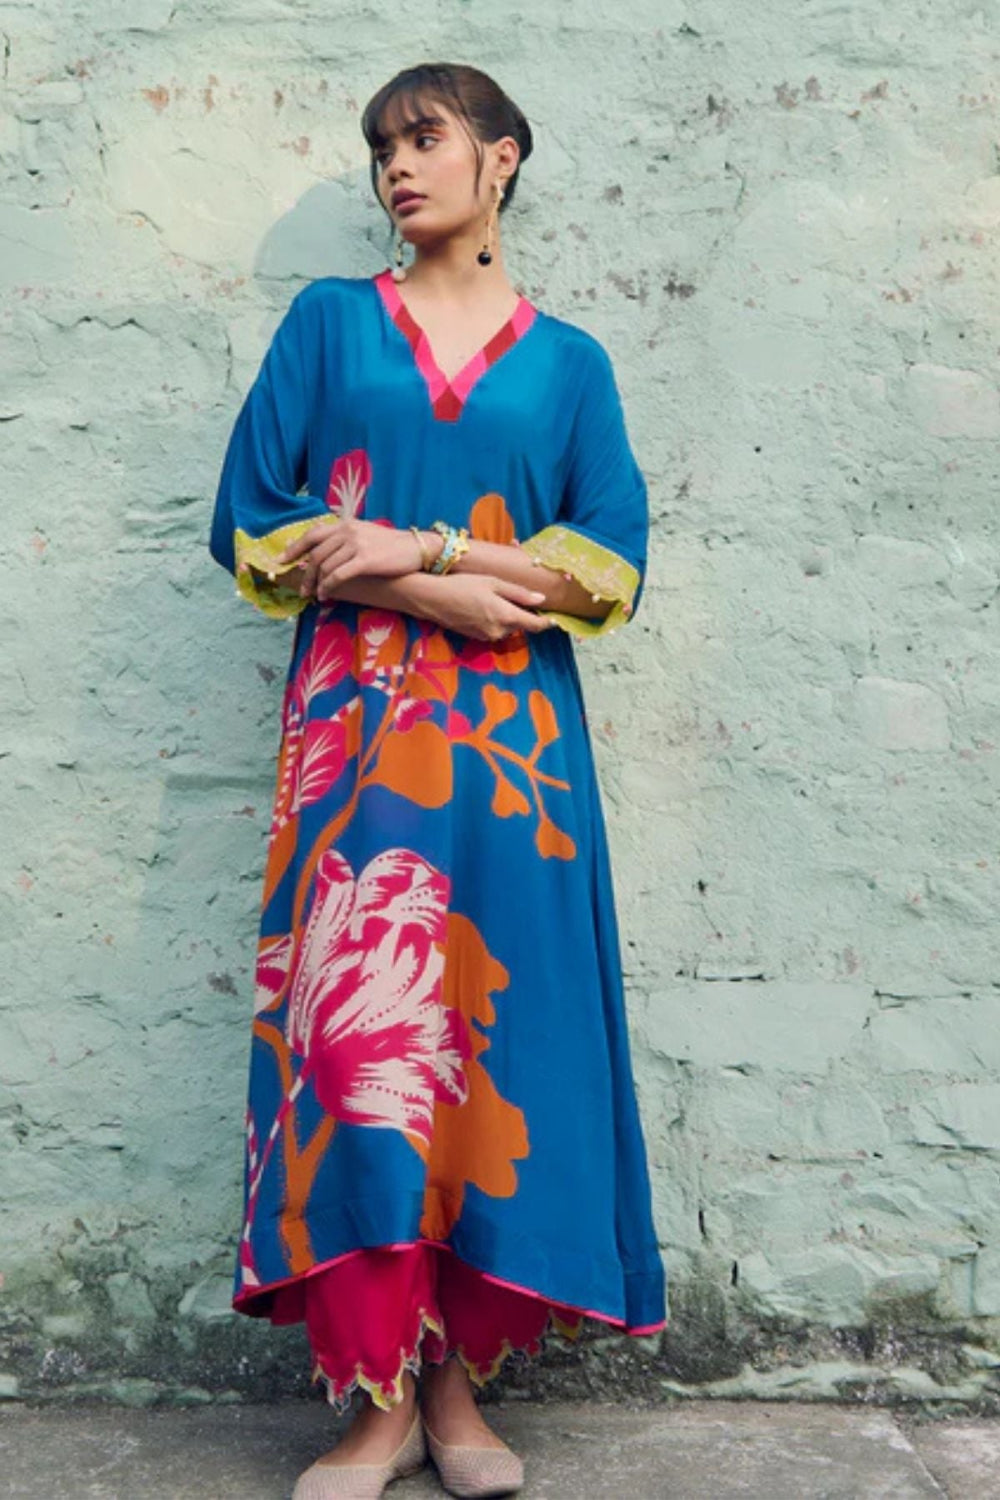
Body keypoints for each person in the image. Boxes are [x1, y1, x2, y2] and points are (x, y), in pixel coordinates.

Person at [210, 60, 667, 1500]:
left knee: (486, 1044)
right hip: (358, 744)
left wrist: (424, 552)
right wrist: (438, 590)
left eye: (426, 138)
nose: (398, 168)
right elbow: (256, 522)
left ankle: (459, 1390)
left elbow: (605, 563)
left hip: (517, 764)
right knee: (363, 1045)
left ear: (502, 158)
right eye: (382, 150)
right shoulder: (330, 324)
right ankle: (375, 1402)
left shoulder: (571, 365)